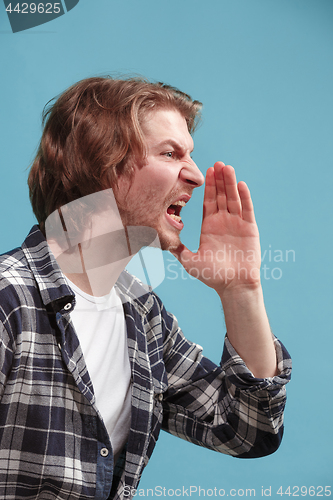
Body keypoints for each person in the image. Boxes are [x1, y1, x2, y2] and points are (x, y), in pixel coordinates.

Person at [0, 76, 292, 500]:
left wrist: (240, 290)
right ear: (102, 167)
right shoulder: (10, 299)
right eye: (171, 153)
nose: (194, 176)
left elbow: (249, 430)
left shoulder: (143, 315)